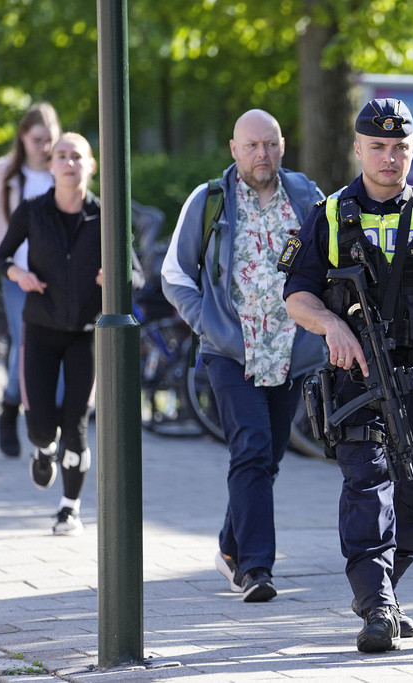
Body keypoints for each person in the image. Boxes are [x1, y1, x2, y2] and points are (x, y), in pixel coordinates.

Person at [282, 98, 413, 653]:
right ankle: (375, 604)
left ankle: (384, 584)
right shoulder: (329, 215)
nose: (389, 157)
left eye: (399, 147)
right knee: (367, 481)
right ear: (358, 149)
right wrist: (331, 325)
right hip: (356, 374)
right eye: (377, 147)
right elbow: (296, 296)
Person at [162, 110, 324, 603]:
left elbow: (329, 264)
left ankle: (231, 548)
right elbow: (174, 275)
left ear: (282, 145)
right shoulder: (209, 200)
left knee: (268, 459)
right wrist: (211, 326)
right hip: (231, 354)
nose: (262, 155)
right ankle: (256, 569)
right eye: (252, 145)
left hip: (291, 353)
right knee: (251, 448)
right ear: (234, 149)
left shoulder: (307, 197)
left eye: (271, 144)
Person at [0, 133, 140, 536]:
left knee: (75, 422)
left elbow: (137, 273)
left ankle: (69, 509)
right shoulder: (32, 210)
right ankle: (43, 450)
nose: (69, 162)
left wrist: (116, 279)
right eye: (62, 156)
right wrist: (18, 274)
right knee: (41, 424)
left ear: (91, 165)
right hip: (40, 327)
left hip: (86, 332)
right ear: (50, 165)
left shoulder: (106, 214)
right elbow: (1, 256)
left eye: (77, 156)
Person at [0, 102, 62, 458]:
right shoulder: (2, 172)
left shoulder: (61, 167)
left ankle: (47, 428)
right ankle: (11, 409)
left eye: (49, 140)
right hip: (15, 275)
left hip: (55, 277)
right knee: (26, 350)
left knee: (55, 349)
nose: (44, 148)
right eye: (38, 139)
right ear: (23, 136)